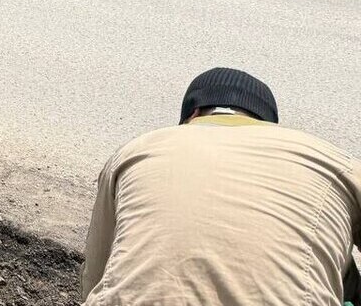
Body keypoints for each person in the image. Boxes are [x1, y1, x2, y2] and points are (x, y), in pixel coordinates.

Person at [81, 67, 361, 306]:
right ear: (267, 125)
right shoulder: (333, 164)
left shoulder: (135, 152)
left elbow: (96, 271)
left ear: (193, 114)